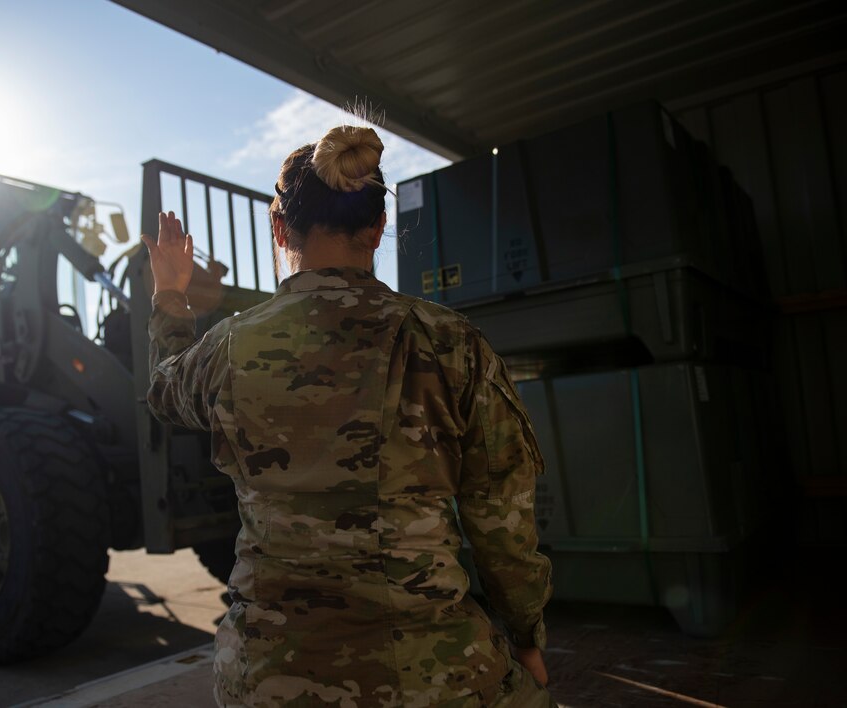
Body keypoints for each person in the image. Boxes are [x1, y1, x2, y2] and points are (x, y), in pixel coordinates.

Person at [142, 125, 555, 707]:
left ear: (280, 228)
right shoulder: (450, 342)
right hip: (435, 679)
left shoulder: (229, 348)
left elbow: (164, 391)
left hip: (268, 680)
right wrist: (526, 638)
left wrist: (170, 296)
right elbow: (502, 523)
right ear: (379, 228)